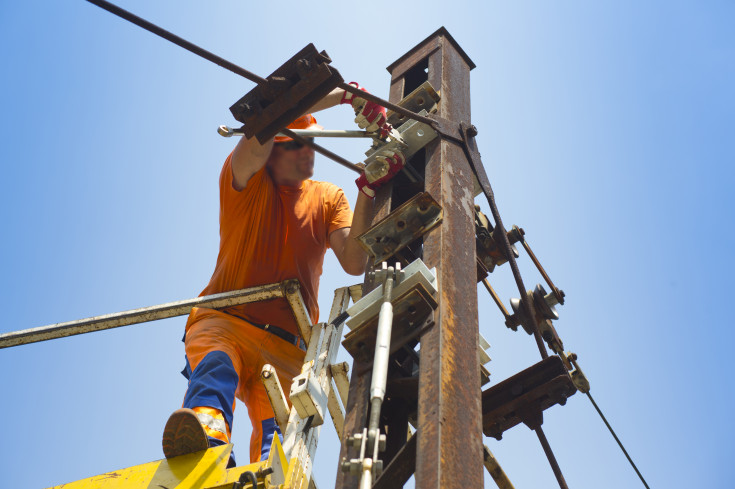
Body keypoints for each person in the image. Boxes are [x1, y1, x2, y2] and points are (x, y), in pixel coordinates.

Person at [161, 83, 406, 466]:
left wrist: (369, 190)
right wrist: (343, 94)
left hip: (287, 345)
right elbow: (259, 132)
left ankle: (266, 473)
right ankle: (207, 443)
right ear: (276, 146)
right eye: (297, 141)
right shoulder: (245, 181)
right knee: (216, 367)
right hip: (224, 319)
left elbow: (355, 260)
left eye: (309, 143)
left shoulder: (327, 197)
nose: (307, 150)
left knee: (278, 434)